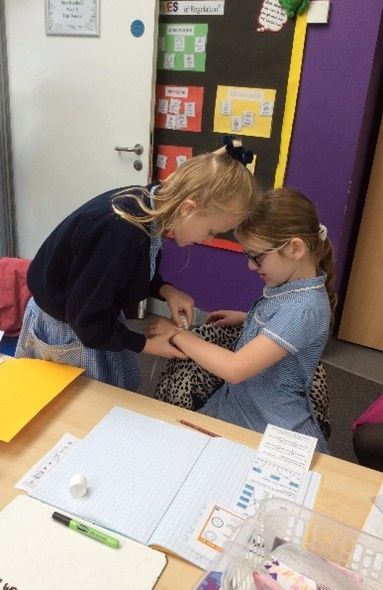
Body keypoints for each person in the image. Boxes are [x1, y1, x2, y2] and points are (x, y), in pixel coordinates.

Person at [15, 142, 258, 391]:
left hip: (93, 317)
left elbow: (129, 272)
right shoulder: (122, 233)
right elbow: (87, 323)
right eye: (211, 231)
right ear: (188, 208)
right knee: (80, 406)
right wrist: (146, 344)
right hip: (70, 332)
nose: (208, 240)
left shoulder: (151, 205)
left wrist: (165, 290)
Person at [148, 187, 336, 453]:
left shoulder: (305, 308)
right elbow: (287, 325)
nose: (250, 266)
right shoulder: (293, 286)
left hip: (272, 427)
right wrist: (249, 318)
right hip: (243, 405)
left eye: (257, 257)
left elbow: (235, 369)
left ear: (296, 248)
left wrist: (177, 335)